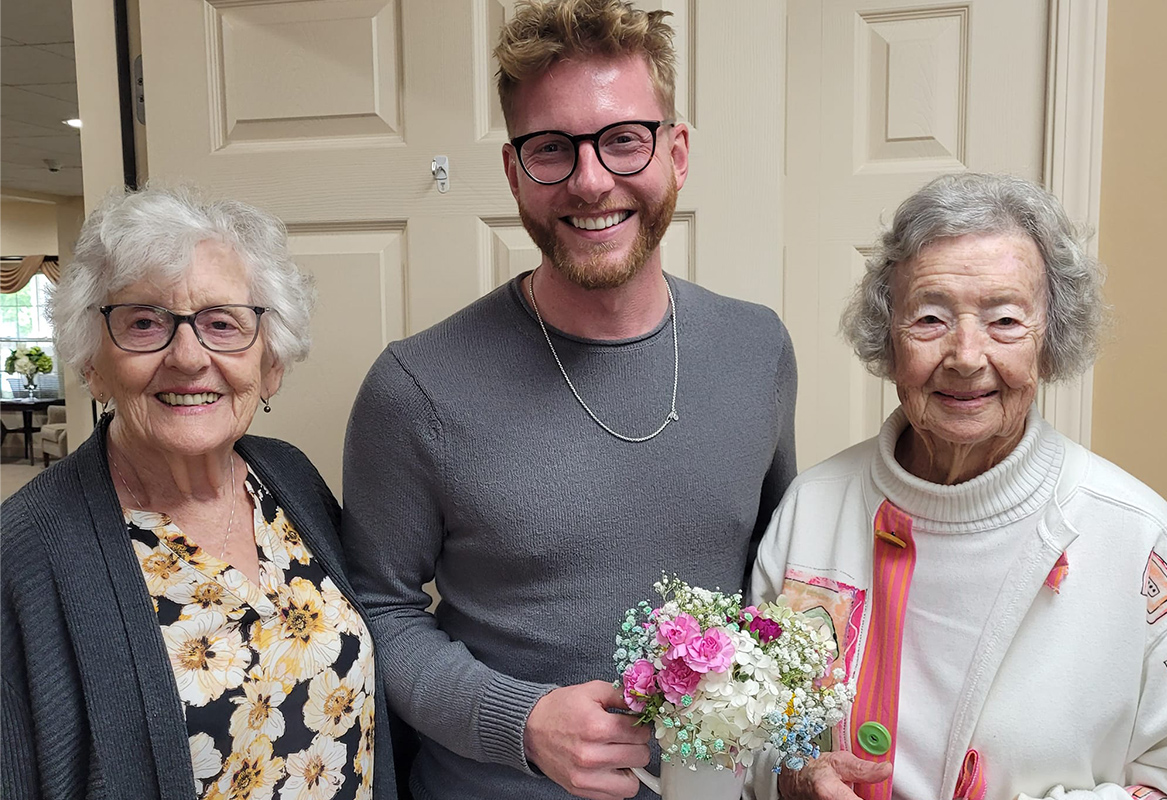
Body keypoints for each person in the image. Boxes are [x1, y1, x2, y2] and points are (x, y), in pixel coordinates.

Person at [341, 1, 798, 798]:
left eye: (625, 139)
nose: (592, 182)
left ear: (677, 152)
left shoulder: (757, 351)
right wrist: (518, 720)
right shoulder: (415, 388)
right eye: (552, 149)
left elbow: (777, 577)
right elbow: (378, 609)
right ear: (516, 172)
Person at [750, 173, 1167, 800]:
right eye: (930, 318)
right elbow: (743, 738)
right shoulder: (812, 510)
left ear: (1051, 341)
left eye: (1006, 320)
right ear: (888, 335)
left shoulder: (1135, 535)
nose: (965, 355)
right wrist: (791, 779)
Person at [1, 186, 402, 799]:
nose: (188, 356)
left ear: (271, 364)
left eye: (223, 324)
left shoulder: (288, 478)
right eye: (143, 323)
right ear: (92, 363)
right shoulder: (26, 550)